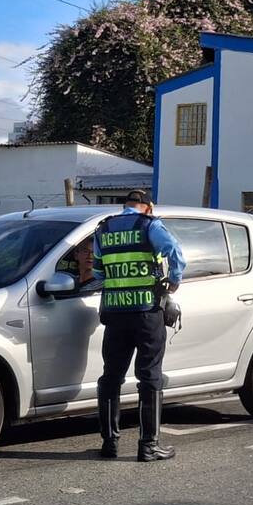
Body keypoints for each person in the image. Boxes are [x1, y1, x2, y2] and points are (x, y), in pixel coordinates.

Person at [92, 189, 186, 462]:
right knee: (149, 377)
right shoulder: (150, 225)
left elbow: (99, 271)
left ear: (125, 206)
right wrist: (175, 279)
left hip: (115, 312)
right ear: (147, 207)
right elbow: (174, 252)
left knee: (111, 378)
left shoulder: (104, 229)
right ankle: (148, 446)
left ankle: (109, 443)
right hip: (146, 312)